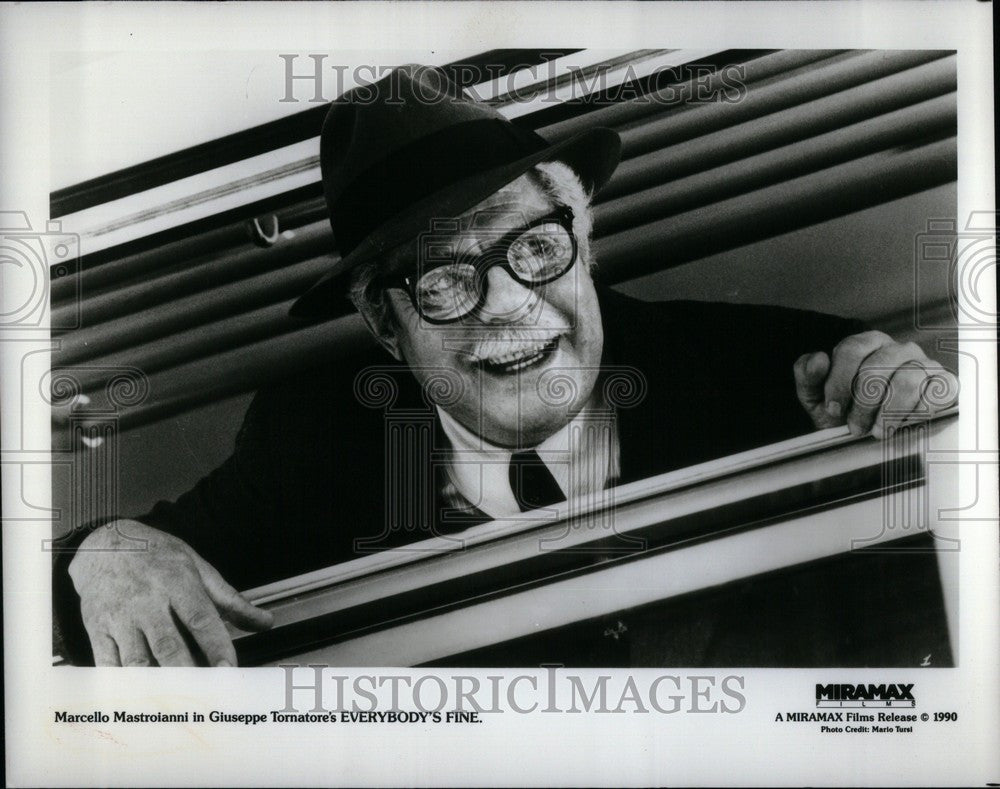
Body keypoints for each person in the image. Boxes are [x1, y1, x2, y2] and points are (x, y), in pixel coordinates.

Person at [55, 65, 958, 667]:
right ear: (383, 319)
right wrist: (100, 553)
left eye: (533, 248)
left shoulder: (770, 370)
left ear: (585, 235)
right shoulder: (314, 441)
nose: (506, 304)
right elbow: (100, 569)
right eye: (446, 279)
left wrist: (913, 403)